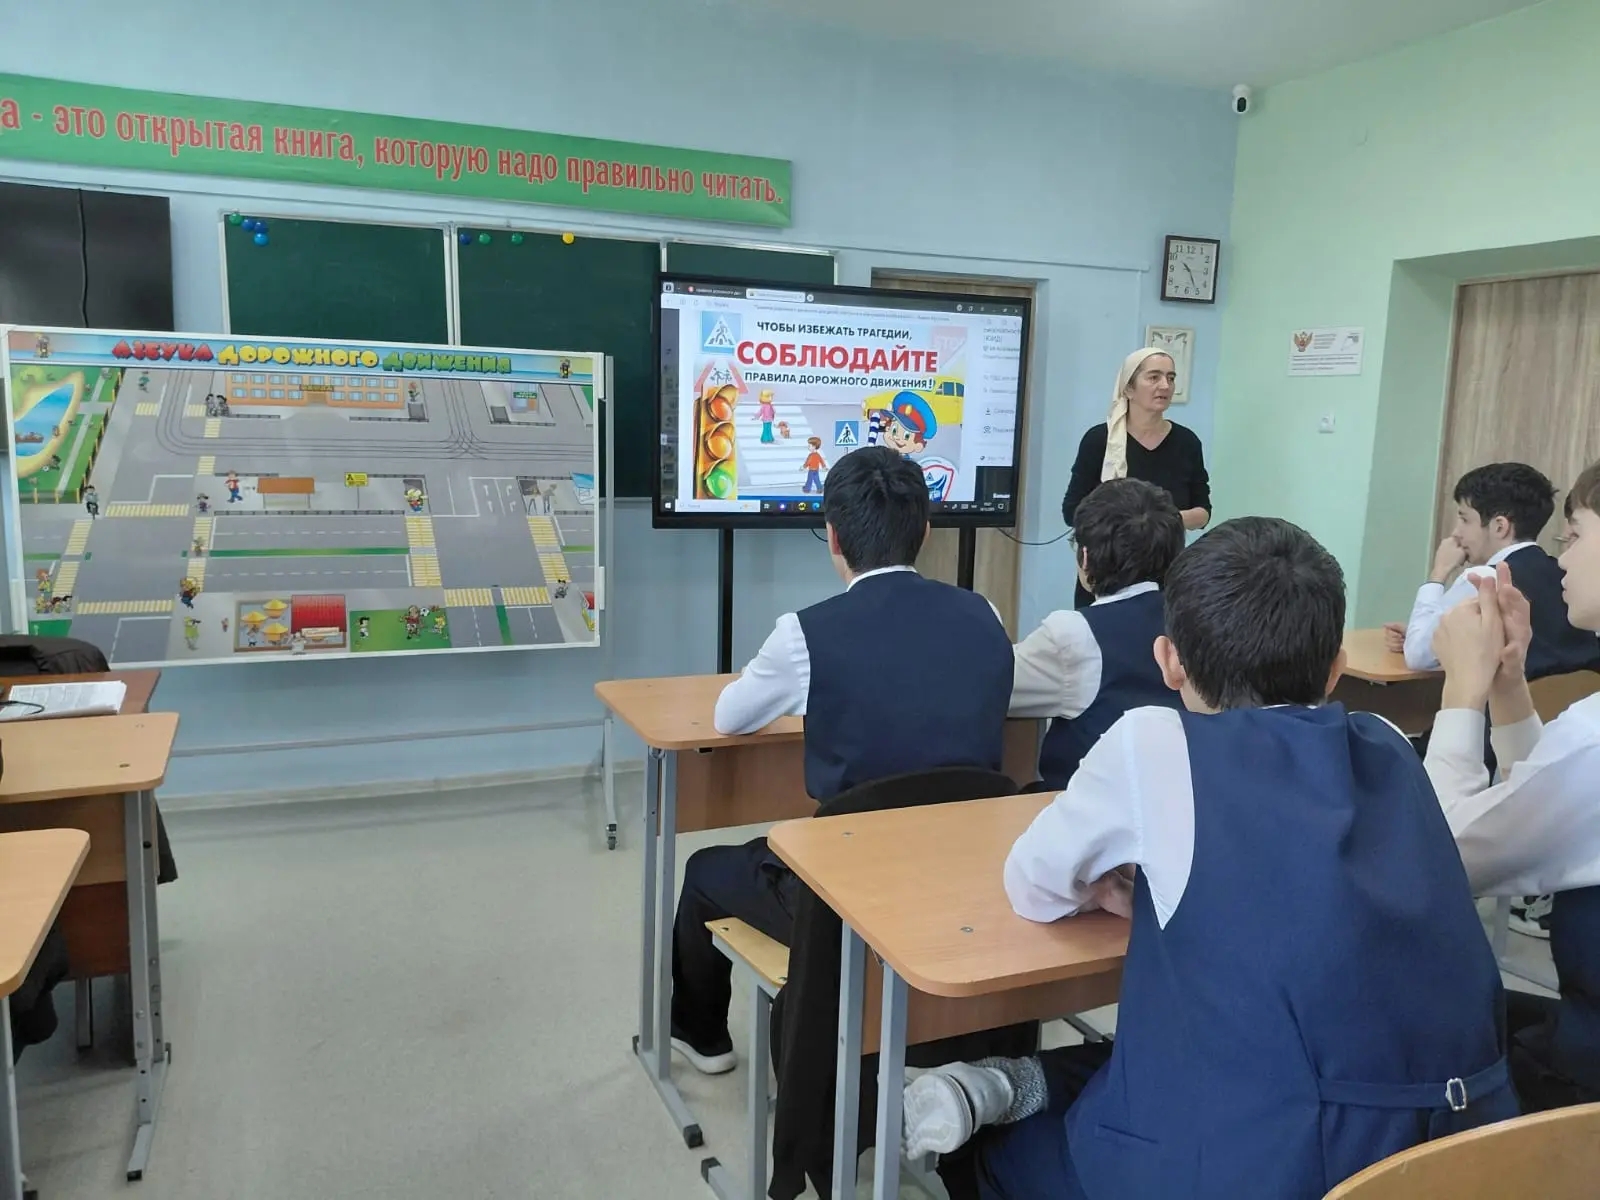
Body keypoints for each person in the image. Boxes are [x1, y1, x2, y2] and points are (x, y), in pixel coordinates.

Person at [907, 517, 1517, 1200]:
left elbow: (1033, 885)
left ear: (1169, 661)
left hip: (1276, 1163)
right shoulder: (1387, 743)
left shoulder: (1154, 741)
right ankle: (1014, 1084)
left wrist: (1111, 889)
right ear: (1335, 668)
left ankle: (1004, 1094)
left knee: (992, 1158)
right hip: (1457, 1154)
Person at [669, 445, 1014, 1075]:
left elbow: (728, 718)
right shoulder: (984, 613)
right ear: (925, 531)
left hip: (849, 894)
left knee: (703, 871)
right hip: (965, 876)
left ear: (832, 535)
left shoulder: (804, 634)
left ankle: (703, 1038)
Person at [1424, 459, 1600, 1112]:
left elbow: (1445, 855)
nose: (1562, 560)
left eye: (1575, 536)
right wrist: (1506, 682)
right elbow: (1549, 806)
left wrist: (1462, 693)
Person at [1009, 478, 1185, 790]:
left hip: (1091, 805)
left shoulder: (1074, 634)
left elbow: (993, 688)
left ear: (1086, 557)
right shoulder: (1200, 620)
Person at [1387, 462, 1599, 678]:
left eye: (1464, 519)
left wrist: (1438, 573)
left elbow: (1418, 655)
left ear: (1499, 526)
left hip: (1513, 699)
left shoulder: (1485, 579)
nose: (1456, 532)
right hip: (1578, 693)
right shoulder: (1564, 574)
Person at [1061, 349, 1210, 609]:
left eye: (1171, 378)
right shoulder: (1099, 440)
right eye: (1154, 377)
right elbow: (1071, 511)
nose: (1165, 385)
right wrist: (1133, 525)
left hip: (1166, 576)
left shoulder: (1187, 442)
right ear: (1129, 388)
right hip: (1107, 572)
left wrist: (1161, 521)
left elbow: (1203, 513)